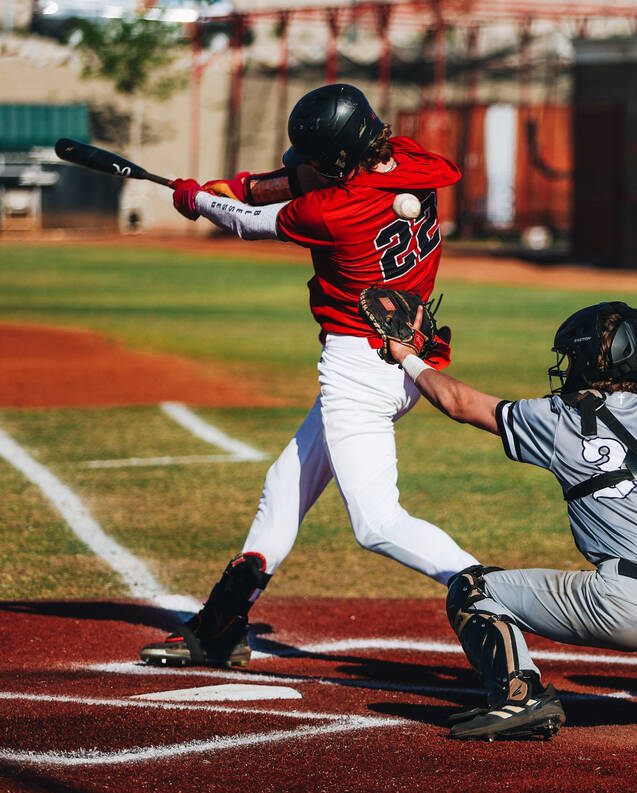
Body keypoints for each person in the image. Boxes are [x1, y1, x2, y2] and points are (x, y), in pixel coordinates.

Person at [139, 84, 478, 668]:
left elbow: (251, 222)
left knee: (376, 524)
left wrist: (200, 200)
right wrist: (241, 183)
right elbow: (292, 181)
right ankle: (220, 626)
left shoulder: (334, 212)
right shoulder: (416, 161)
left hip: (358, 369)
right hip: (408, 352)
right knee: (285, 485)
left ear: (340, 161)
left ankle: (488, 592)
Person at [375, 299, 637, 740]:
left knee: (472, 589)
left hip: (627, 608)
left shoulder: (562, 419)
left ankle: (520, 696)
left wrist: (406, 354)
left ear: (587, 360)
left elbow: (458, 402)